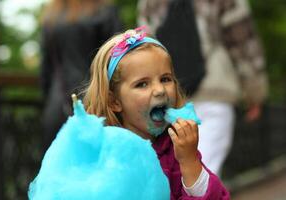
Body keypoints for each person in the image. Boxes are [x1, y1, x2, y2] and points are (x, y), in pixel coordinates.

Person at [82, 27, 230, 199]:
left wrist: (190, 162)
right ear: (114, 102)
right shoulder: (104, 159)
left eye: (165, 79)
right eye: (142, 84)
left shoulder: (178, 152)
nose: (160, 90)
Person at [138, 0, 268, 176]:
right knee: (204, 174)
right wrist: (255, 92)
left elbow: (146, 46)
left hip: (169, 98)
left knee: (178, 174)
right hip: (214, 90)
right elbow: (243, 40)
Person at [40, 0, 123, 151]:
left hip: (57, 108)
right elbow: (118, 60)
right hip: (97, 104)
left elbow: (46, 71)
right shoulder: (105, 12)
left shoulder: (51, 18)